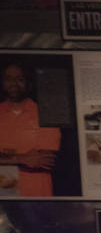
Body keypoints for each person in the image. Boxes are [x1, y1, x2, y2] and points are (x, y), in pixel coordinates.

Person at [0, 62, 61, 197]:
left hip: (36, 191)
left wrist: (5, 158)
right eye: (8, 79)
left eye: (19, 79)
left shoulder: (46, 113)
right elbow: (29, 160)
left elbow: (43, 161)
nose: (13, 83)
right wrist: (21, 158)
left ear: (28, 82)